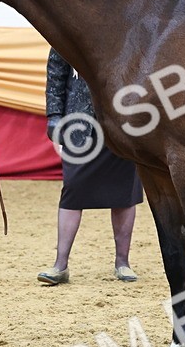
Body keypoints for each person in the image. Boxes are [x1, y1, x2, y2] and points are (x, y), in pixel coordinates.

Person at [38, 49, 143, 285]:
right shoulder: (67, 24)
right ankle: (60, 265)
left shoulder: (129, 24)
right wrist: (54, 115)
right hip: (79, 123)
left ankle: (123, 263)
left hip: (123, 123)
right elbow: (56, 72)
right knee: (72, 190)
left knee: (124, 193)